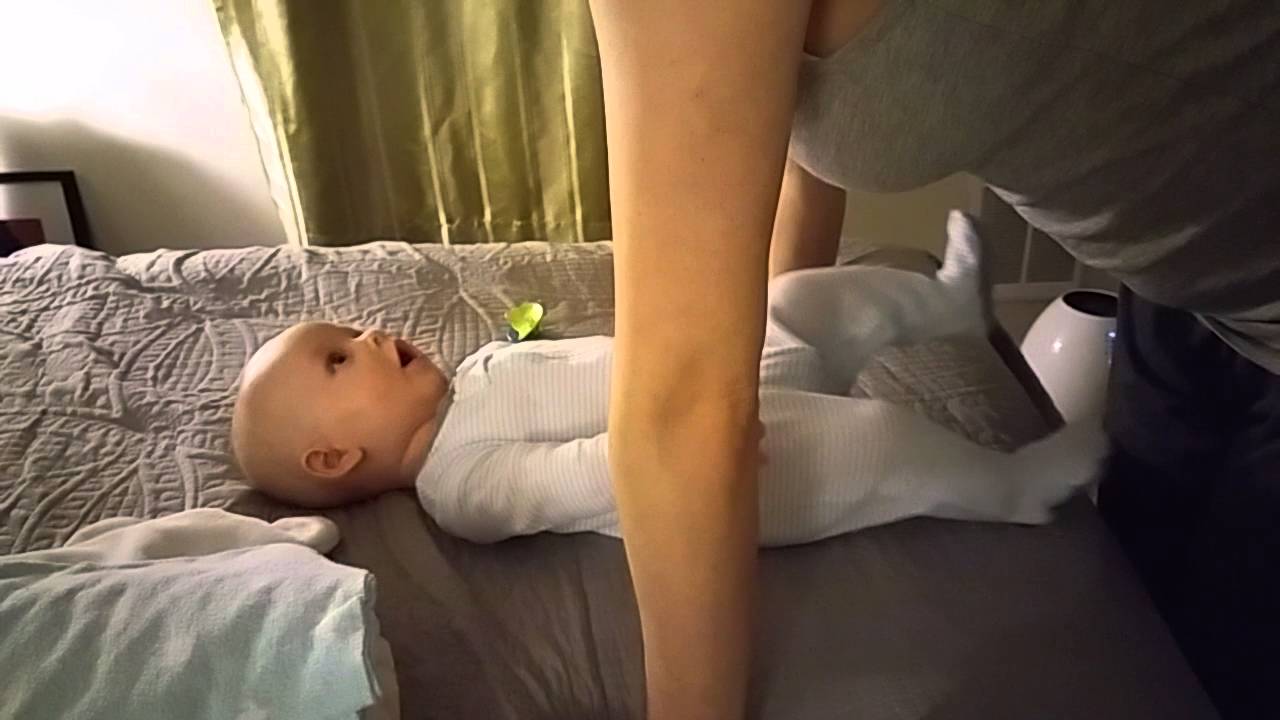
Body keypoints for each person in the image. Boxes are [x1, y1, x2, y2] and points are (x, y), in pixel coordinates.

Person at [586, 1, 1279, 717]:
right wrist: (787, 371)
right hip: (1183, 289)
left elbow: (685, 404)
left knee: (1231, 669)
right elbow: (786, 152)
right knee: (1144, 629)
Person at [230, 215, 1102, 544]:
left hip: (725, 372)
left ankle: (943, 306)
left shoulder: (476, 374)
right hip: (732, 466)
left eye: (349, 331)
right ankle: (1010, 488)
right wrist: (687, 446)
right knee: (877, 438)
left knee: (796, 301)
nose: (370, 333)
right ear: (334, 458)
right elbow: (570, 476)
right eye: (339, 357)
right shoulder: (459, 487)